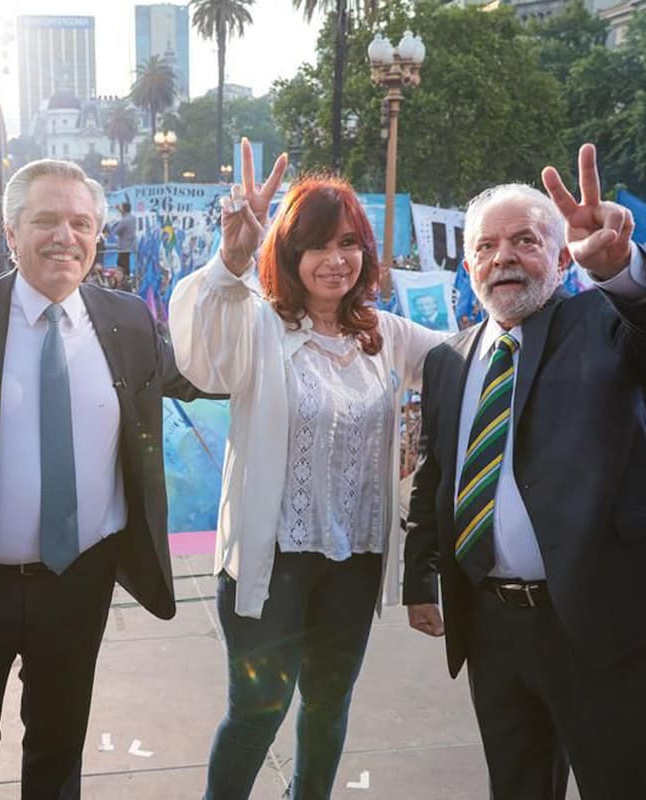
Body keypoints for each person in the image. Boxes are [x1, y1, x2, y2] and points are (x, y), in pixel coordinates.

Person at [0, 158, 203, 799]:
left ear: (98, 235)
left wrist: (236, 276)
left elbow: (203, 372)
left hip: (79, 581)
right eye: (46, 220)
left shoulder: (128, 319)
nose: (64, 236)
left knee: (58, 754)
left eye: (80, 222)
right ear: (10, 230)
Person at [403, 144, 646, 799]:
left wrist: (622, 270)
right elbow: (436, 473)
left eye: (525, 241)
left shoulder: (605, 322)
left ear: (559, 257)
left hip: (611, 624)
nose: (504, 259)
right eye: (486, 246)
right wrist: (419, 578)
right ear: (467, 264)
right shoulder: (448, 361)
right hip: (494, 631)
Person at [168, 139, 448, 799]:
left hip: (354, 557)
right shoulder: (259, 327)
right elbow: (201, 357)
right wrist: (232, 257)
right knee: (258, 711)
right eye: (317, 245)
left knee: (327, 706)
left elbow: (472, 359)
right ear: (289, 255)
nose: (335, 259)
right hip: (273, 561)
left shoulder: (385, 335)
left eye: (349, 243)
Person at [111, 200, 137, 278]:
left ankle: (123, 279)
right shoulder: (132, 218)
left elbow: (116, 231)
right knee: (126, 264)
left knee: (122, 265)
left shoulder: (124, 220)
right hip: (129, 245)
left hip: (123, 246)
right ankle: (127, 278)